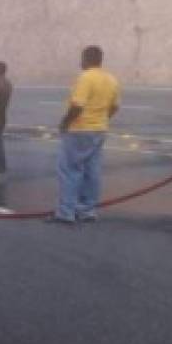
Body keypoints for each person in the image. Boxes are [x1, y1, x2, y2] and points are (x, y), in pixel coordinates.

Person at [49, 46, 121, 224]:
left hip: (79, 130)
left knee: (70, 170)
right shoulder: (111, 79)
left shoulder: (85, 78)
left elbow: (77, 105)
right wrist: (102, 119)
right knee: (92, 171)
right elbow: (115, 106)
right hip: (99, 129)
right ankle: (88, 210)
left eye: (81, 58)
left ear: (86, 59)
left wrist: (65, 122)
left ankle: (66, 212)